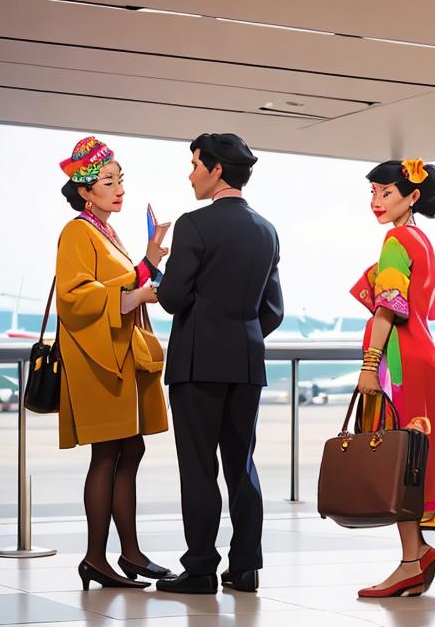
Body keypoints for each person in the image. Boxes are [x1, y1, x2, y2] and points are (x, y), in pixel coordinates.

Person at [155, 133, 283, 595]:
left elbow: (171, 298)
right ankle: (246, 566)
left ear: (216, 170)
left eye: (194, 165)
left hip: (197, 363)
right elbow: (273, 310)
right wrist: (239, 336)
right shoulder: (266, 230)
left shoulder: (194, 225)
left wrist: (158, 275)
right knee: (241, 464)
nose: (190, 174)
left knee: (198, 467)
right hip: (246, 362)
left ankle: (202, 569)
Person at [55, 136, 171, 590]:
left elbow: (121, 282)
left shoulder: (104, 231)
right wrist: (136, 292)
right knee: (108, 453)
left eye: (120, 179)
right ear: (85, 191)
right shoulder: (77, 231)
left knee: (129, 449)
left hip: (116, 353)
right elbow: (75, 296)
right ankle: (97, 558)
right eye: (107, 181)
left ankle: (128, 552)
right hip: (97, 358)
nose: (117, 188)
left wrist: (150, 259)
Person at [352, 159, 435, 598]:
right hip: (423, 354)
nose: (377, 202)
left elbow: (388, 307)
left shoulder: (397, 239)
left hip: (399, 360)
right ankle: (414, 555)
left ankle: (412, 559)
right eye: (374, 193)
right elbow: (427, 309)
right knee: (412, 456)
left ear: (412, 197)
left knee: (398, 459)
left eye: (386, 193)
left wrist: (369, 363)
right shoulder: (422, 240)